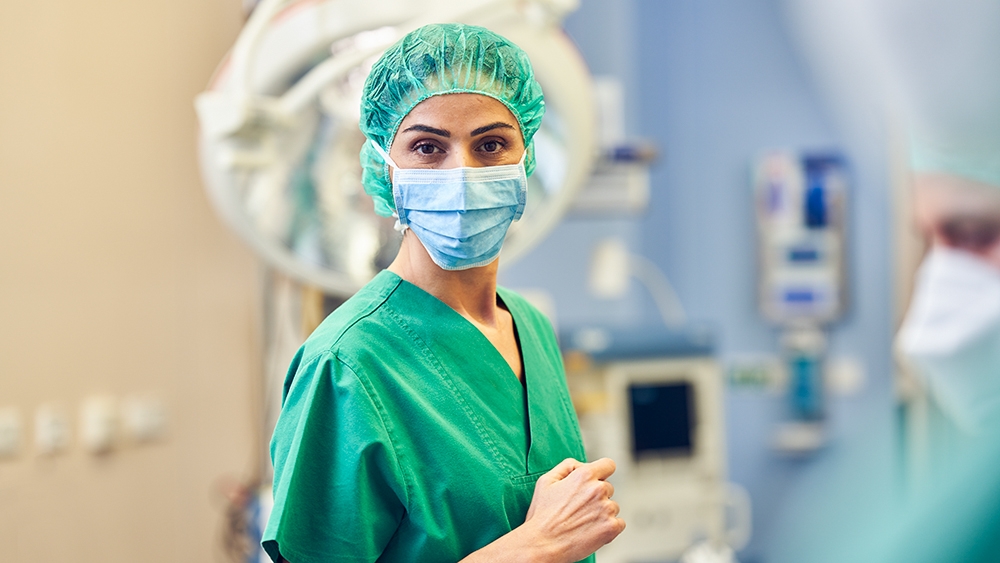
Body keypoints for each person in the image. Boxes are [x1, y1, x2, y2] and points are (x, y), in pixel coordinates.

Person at [261, 23, 625, 563]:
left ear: (526, 158)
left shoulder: (529, 326)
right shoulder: (345, 366)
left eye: (491, 144)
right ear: (387, 168)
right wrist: (536, 545)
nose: (463, 174)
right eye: (428, 147)